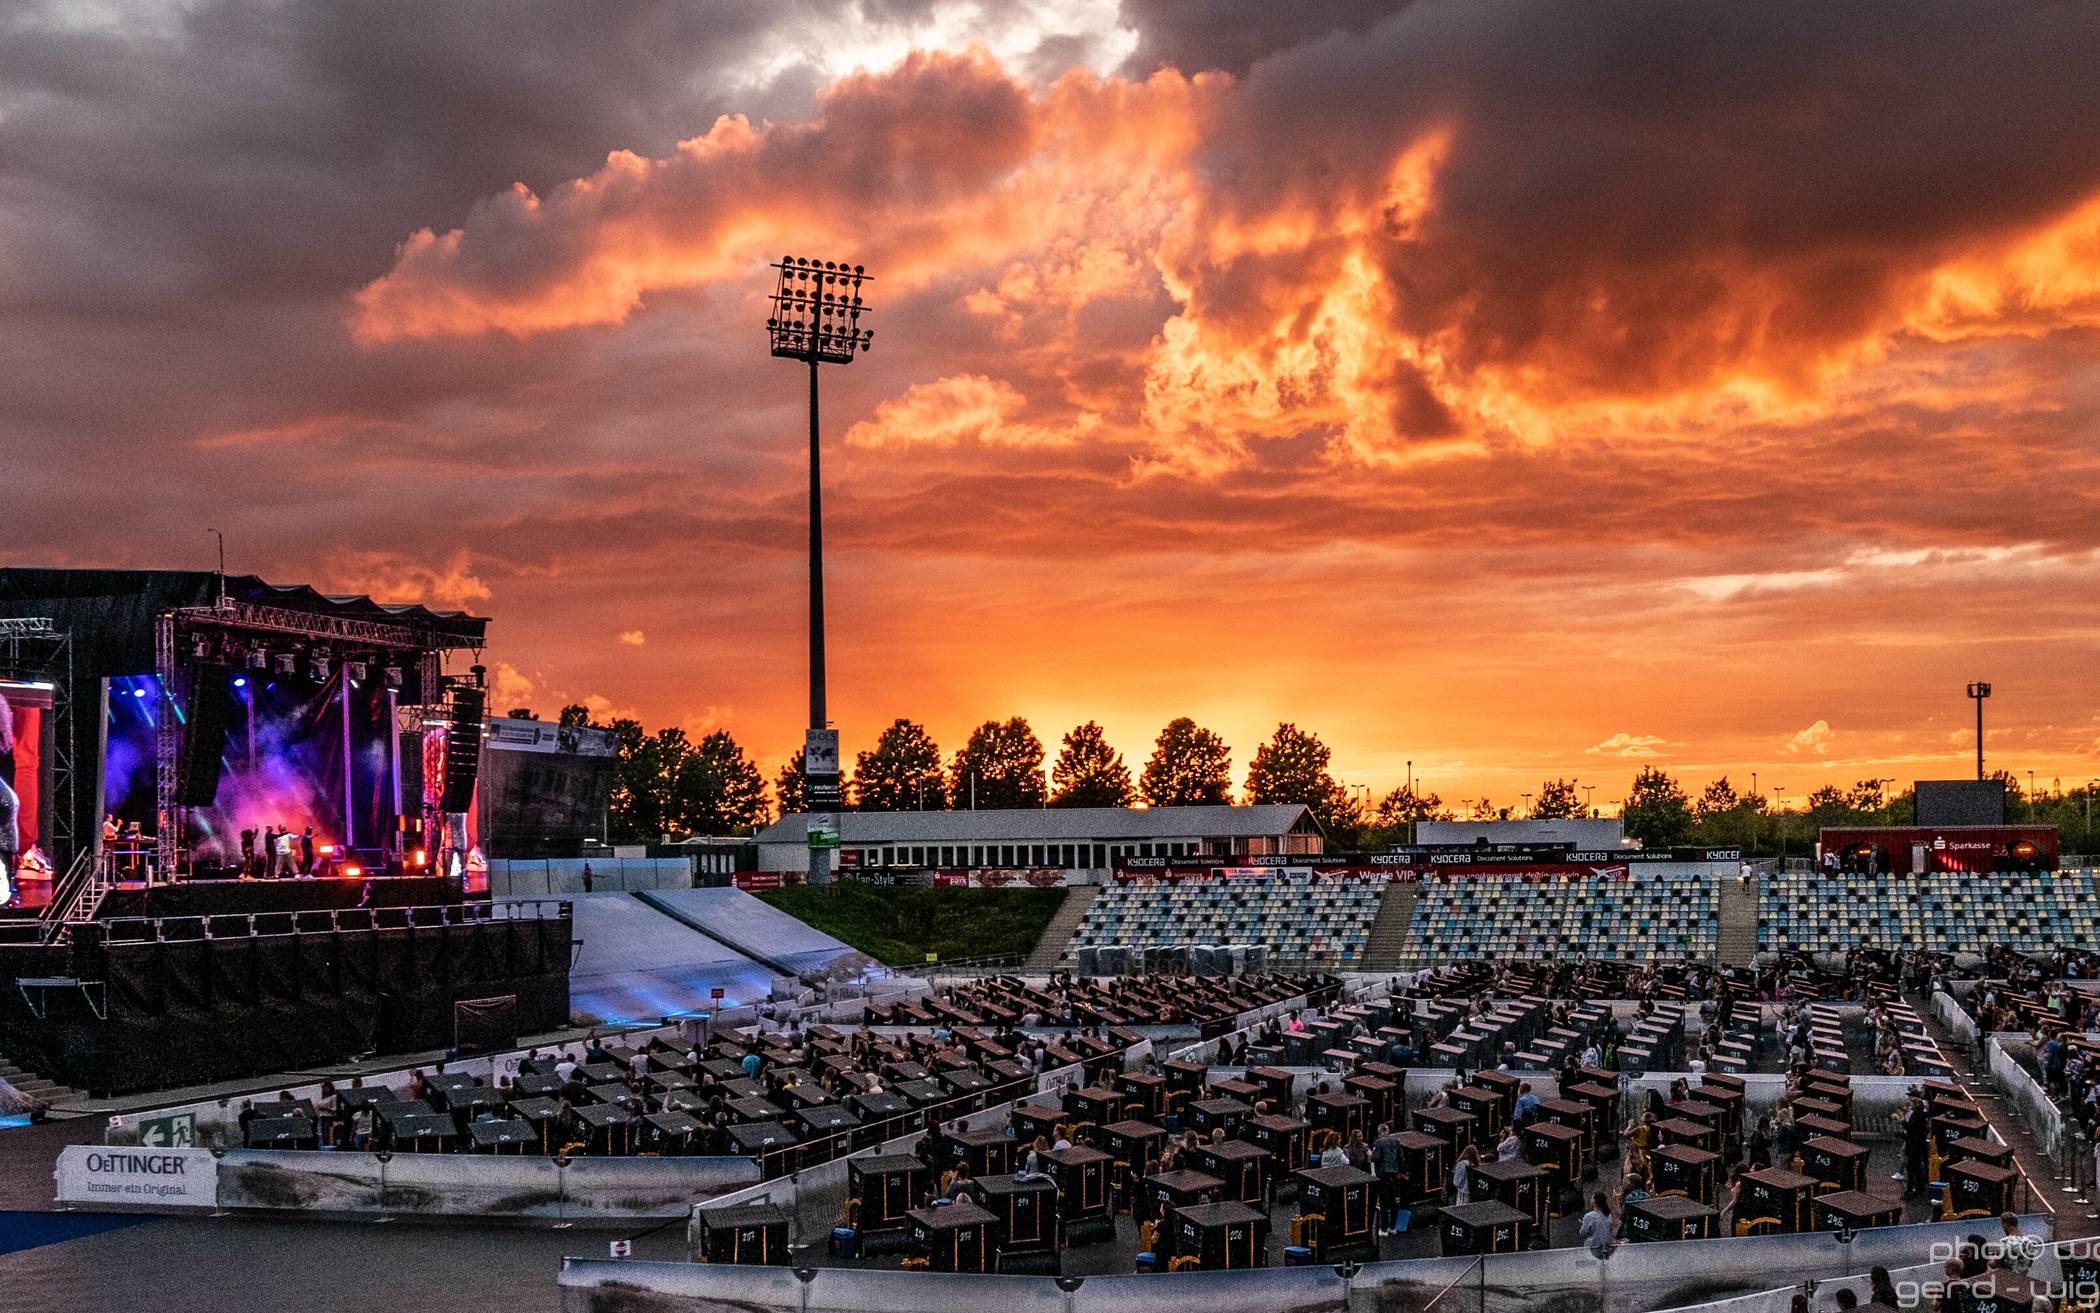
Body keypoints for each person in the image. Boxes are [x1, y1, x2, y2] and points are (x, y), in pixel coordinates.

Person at [1579, 1190, 1615, 1260]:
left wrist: (1584, 1224)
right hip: (1606, 1248)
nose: (1590, 1199)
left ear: (1594, 1201)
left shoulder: (1588, 1216)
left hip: (1592, 1249)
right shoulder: (1608, 1215)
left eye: (1592, 1198)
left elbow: (1583, 1233)